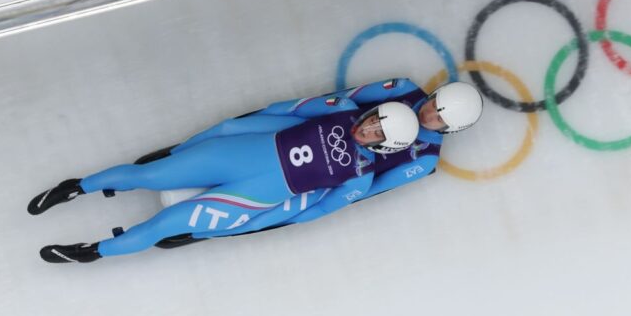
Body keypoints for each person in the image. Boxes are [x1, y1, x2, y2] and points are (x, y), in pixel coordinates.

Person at [28, 95, 420, 263]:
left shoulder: (360, 179)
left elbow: (306, 212)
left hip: (251, 196)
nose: (367, 128)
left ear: (384, 147)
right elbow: (282, 114)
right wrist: (211, 136)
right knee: (148, 174)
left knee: (163, 226)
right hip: (241, 153)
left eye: (376, 133)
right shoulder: (342, 108)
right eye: (373, 120)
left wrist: (251, 225)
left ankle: (92, 251)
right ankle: (75, 187)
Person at [152, 78, 484, 249]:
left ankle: (200, 229)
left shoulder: (424, 160)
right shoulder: (404, 88)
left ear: (449, 129)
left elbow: (373, 189)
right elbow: (346, 98)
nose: (429, 113)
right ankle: (180, 157)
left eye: (438, 118)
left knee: (265, 219)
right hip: (316, 137)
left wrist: (342, 185)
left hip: (331, 176)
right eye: (434, 104)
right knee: (232, 130)